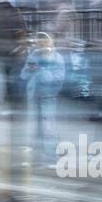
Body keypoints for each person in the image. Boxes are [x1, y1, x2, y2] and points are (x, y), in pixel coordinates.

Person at [21, 32, 66, 162]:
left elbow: (57, 78)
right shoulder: (33, 55)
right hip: (34, 95)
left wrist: (40, 70)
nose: (41, 44)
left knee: (48, 125)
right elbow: (23, 75)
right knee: (37, 126)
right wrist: (29, 70)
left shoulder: (57, 58)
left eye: (44, 41)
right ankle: (39, 154)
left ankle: (52, 155)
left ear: (50, 42)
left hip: (48, 96)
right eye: (38, 42)